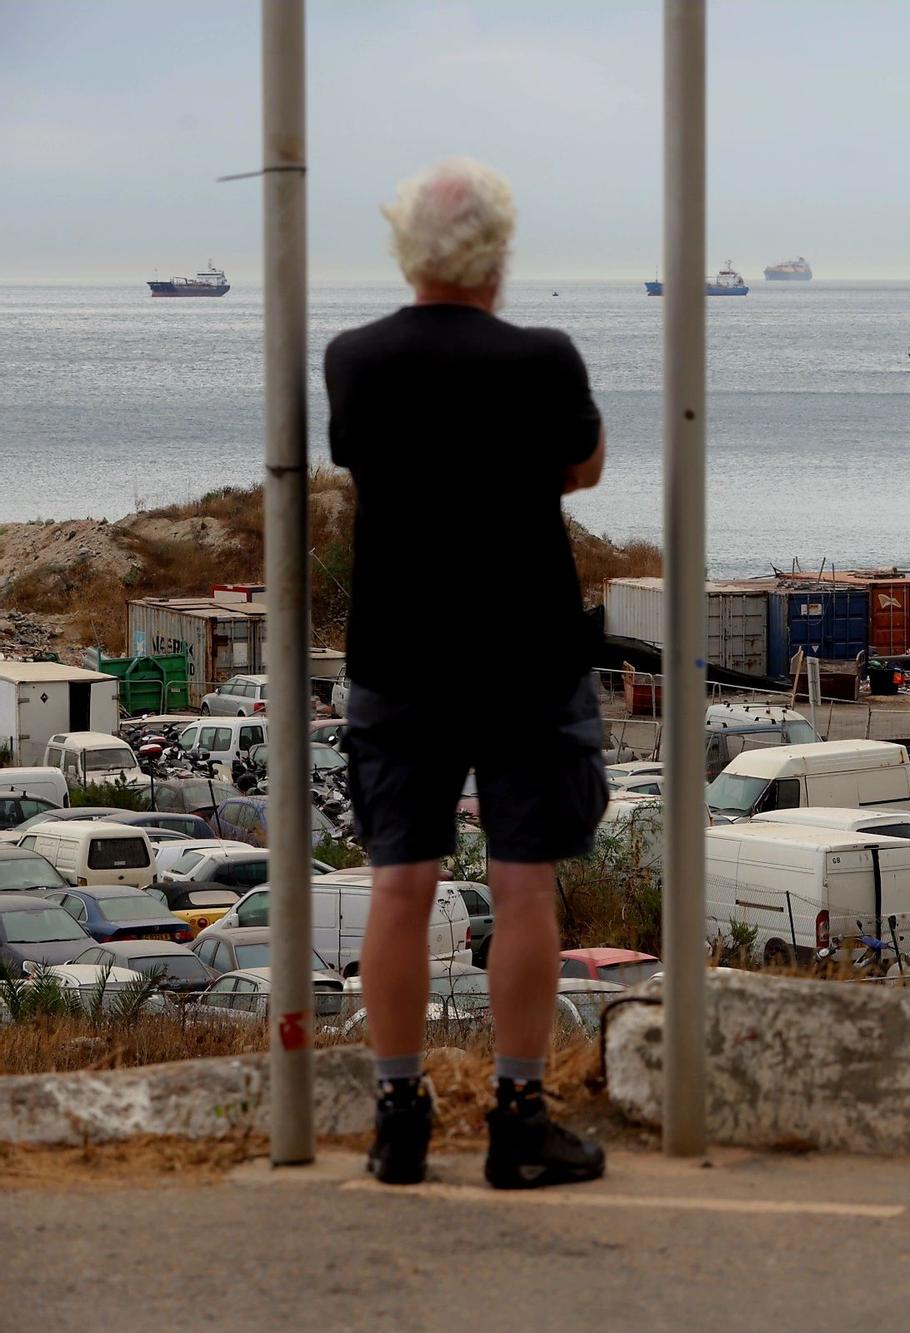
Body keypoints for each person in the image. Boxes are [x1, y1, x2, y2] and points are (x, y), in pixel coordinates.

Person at [324, 157, 610, 1189]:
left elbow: (364, 459)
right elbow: (582, 466)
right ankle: (517, 1119)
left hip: (398, 653)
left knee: (401, 884)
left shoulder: (353, 359)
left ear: (407, 248)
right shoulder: (543, 358)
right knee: (523, 882)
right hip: (525, 651)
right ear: (498, 252)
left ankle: (398, 1120)